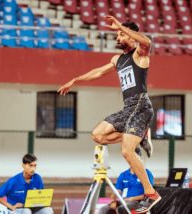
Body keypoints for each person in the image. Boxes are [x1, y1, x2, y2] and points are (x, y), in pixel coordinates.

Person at [58, 15, 160, 213]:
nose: (118, 37)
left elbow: (147, 41)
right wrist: (75, 80)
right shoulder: (118, 59)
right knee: (98, 135)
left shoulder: (140, 54)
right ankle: (141, 134)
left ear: (132, 36)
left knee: (126, 151)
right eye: (118, 34)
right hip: (128, 108)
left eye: (121, 34)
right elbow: (98, 72)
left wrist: (122, 25)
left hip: (141, 105)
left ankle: (151, 193)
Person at [99, 148, 154, 214]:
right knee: (104, 209)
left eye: (135, 158)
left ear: (139, 159)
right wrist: (113, 201)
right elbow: (117, 191)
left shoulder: (147, 173)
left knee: (123, 208)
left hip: (138, 202)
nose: (132, 160)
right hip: (123, 201)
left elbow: (149, 194)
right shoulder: (123, 175)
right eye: (130, 158)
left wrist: (132, 198)